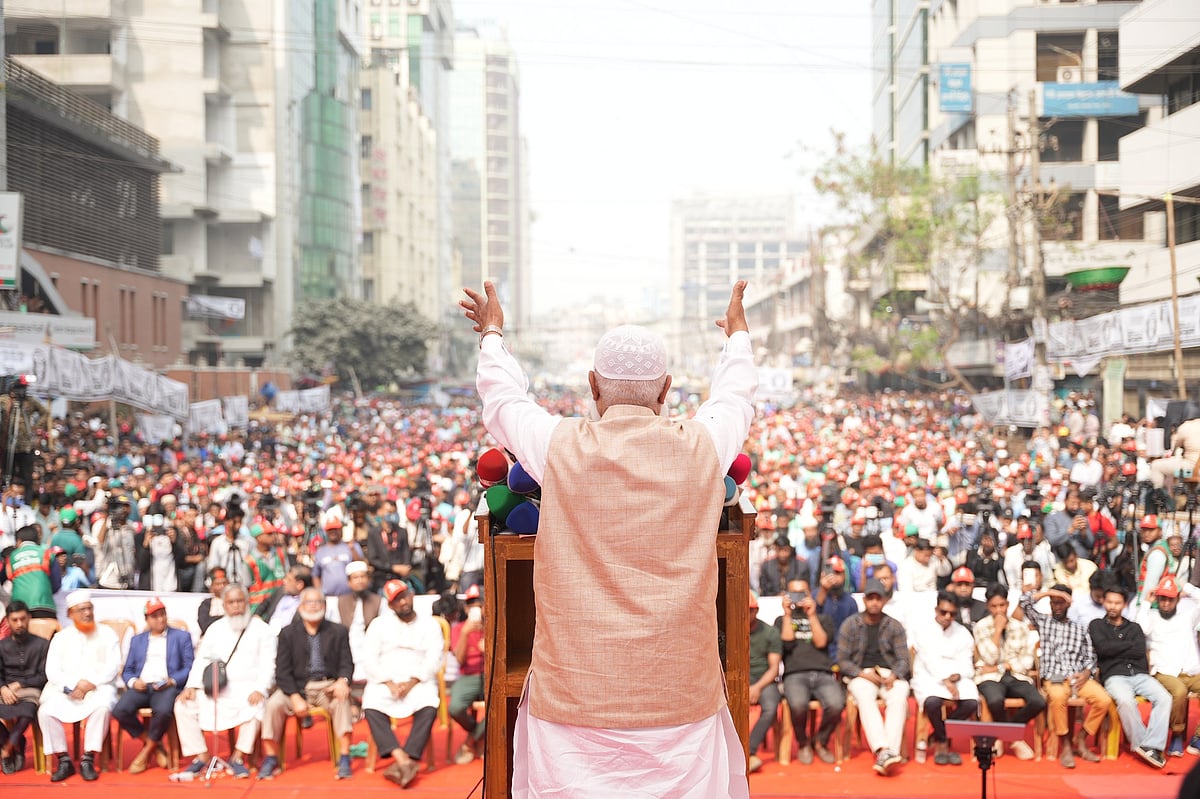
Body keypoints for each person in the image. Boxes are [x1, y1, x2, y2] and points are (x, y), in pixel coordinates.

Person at [462, 279, 755, 796]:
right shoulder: (704, 446)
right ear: (666, 392)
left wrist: (491, 335)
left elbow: (503, 400)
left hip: (575, 708)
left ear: (593, 387)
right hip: (679, 705)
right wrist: (737, 340)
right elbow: (736, 397)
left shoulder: (559, 446)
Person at [173, 583, 276, 779]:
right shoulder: (215, 628)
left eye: (240, 601)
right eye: (231, 602)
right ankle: (201, 755)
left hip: (248, 688)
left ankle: (238, 756)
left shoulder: (262, 630)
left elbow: (269, 665)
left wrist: (261, 689)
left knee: (257, 707)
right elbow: (201, 660)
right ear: (224, 605)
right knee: (182, 705)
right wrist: (191, 686)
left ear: (247, 603)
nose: (236, 606)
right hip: (216, 688)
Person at [259, 587, 355, 780]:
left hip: (327, 686)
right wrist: (294, 696)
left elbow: (347, 663)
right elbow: (282, 671)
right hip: (295, 687)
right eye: (308, 603)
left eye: (317, 602)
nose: (313, 607)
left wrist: (342, 682)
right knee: (273, 705)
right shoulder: (287, 633)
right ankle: (271, 758)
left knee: (341, 701)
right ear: (300, 606)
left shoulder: (338, 631)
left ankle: (344, 756)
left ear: (325, 605)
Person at [360, 580, 444, 788]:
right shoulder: (379, 624)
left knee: (429, 703)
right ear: (390, 605)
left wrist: (411, 682)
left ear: (412, 595)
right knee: (370, 703)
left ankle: (408, 757)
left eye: (405, 596)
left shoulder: (430, 624)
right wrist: (388, 682)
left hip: (418, 680)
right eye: (397, 600)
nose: (403, 602)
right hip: (386, 680)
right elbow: (368, 659)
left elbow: (434, 659)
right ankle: (403, 759)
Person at [1020, 583, 1112, 768]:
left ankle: (1081, 738)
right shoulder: (1043, 622)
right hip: (1054, 677)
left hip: (1078, 677)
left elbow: (1090, 656)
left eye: (1061, 603)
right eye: (1054, 602)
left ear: (1069, 604)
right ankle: (1067, 745)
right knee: (1057, 696)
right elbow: (1024, 603)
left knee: (1104, 700)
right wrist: (1049, 592)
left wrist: (1087, 673)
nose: (1057, 606)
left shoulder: (1079, 628)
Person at [38, 590, 121, 782]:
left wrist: (90, 683)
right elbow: (52, 671)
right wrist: (74, 685)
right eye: (81, 609)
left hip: (97, 687)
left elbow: (114, 665)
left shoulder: (107, 634)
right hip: (67, 690)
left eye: (89, 608)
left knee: (102, 707)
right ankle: (63, 759)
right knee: (45, 711)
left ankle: (88, 758)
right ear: (70, 614)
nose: (87, 613)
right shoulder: (60, 638)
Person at [1088, 584, 1172, 769]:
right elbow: (1103, 649)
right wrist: (1127, 646)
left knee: (1165, 698)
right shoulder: (1096, 625)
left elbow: (1139, 650)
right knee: (1125, 701)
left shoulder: (1134, 627)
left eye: (1117, 603)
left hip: (1140, 675)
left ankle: (1152, 745)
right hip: (1114, 676)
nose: (1112, 606)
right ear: (1104, 602)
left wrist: (1115, 648)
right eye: (1109, 602)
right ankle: (1143, 744)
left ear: (1124, 604)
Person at [836, 579, 911, 777]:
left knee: (900, 693)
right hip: (861, 673)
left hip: (888, 672)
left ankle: (887, 753)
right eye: (871, 598)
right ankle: (883, 750)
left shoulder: (894, 625)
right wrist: (862, 673)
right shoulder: (851, 624)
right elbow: (842, 660)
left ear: (885, 601)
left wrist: (894, 674)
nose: (875, 602)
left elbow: (904, 659)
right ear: (865, 600)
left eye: (878, 598)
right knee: (863, 695)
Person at [111, 597, 194, 773]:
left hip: (167, 686)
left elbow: (189, 666)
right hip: (142, 686)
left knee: (164, 711)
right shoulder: (138, 640)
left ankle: (146, 752)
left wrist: (172, 680)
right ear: (147, 619)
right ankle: (155, 746)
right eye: (155, 616)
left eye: (163, 614)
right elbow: (128, 670)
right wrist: (134, 681)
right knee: (119, 710)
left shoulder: (181, 637)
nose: (161, 619)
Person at [775, 578, 843, 767]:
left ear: (809, 594)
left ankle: (820, 741)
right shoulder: (781, 620)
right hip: (795, 674)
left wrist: (812, 615)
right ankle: (803, 742)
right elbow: (787, 642)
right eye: (793, 593)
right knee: (797, 705)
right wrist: (788, 614)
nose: (798, 597)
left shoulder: (823, 618)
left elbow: (821, 642)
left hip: (822, 673)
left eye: (802, 593)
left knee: (837, 704)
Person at [973, 584, 1043, 760]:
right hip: (990, 677)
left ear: (1008, 604)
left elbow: (1026, 660)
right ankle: (1014, 738)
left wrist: (1003, 666)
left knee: (1038, 701)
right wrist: (997, 631)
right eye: (994, 606)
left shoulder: (1020, 627)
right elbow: (989, 658)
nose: (999, 610)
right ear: (988, 607)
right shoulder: (981, 627)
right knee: (995, 701)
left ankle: (1003, 735)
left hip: (1017, 675)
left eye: (1002, 605)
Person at [911, 590, 979, 765]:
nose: (947, 617)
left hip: (957, 677)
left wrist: (958, 674)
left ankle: (939, 735)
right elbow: (928, 660)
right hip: (929, 676)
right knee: (932, 702)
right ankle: (943, 742)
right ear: (936, 610)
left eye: (952, 613)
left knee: (971, 702)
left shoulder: (962, 632)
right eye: (943, 612)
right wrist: (946, 680)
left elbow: (966, 660)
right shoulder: (923, 629)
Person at [1143, 574, 1200, 757]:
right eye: (1162, 599)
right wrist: (1145, 603)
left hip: (1190, 671)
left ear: (1177, 599)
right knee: (1179, 691)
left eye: (1169, 599)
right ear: (1157, 599)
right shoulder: (1151, 616)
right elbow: (1140, 629)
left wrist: (1187, 588)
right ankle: (1176, 733)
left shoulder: (1187, 616)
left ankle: (1197, 738)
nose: (1165, 604)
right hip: (1164, 672)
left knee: (1184, 687)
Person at [0, 601, 49, 773]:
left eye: (23, 619)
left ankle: (6, 751)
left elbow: (44, 676)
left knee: (28, 710)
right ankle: (15, 742)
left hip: (30, 689)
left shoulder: (42, 644)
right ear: (8, 621)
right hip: (5, 690)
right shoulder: (2, 646)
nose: (19, 624)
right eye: (15, 620)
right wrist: (3, 688)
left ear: (29, 618)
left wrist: (20, 684)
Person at [325, 560, 382, 681]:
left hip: (372, 647)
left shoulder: (380, 601)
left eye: (363, 577)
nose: (360, 580)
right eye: (355, 578)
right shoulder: (338, 602)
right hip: (347, 647)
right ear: (349, 582)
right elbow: (335, 629)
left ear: (368, 579)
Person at [449, 584, 486, 765]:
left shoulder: (496, 625)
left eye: (479, 604)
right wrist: (465, 633)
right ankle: (478, 734)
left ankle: (470, 741)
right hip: (468, 675)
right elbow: (460, 660)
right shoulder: (459, 628)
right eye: (471, 604)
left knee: (501, 704)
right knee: (454, 707)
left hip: (490, 675)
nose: (475, 608)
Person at [747, 590, 782, 774]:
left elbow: (774, 668)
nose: (746, 614)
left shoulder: (770, 632)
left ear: (756, 610)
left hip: (764, 678)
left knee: (771, 707)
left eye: (749, 610)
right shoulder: (730, 629)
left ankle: (749, 751)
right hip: (739, 678)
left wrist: (757, 687)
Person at [2, 524, 57, 618]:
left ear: (18, 541)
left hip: (19, 610)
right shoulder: (47, 553)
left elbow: (7, 579)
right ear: (38, 540)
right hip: (45, 606)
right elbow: (57, 583)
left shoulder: (11, 557)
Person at [312, 517, 364, 597]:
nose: (333, 531)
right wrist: (319, 594)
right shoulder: (320, 551)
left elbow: (361, 567)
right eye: (330, 529)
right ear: (326, 531)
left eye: (336, 529)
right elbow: (316, 575)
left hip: (350, 596)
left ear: (341, 529)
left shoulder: (351, 546)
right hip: (328, 597)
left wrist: (352, 549)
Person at [205, 502, 252, 586]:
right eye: (235, 522)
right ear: (227, 522)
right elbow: (213, 565)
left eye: (240, 522)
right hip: (224, 586)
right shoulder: (217, 542)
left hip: (244, 585)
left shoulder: (247, 541)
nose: (238, 526)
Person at [246, 520, 288, 613]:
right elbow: (246, 587)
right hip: (258, 608)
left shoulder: (280, 554)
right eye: (269, 534)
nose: (273, 536)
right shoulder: (250, 560)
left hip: (279, 605)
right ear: (258, 537)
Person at [255, 564, 312, 632]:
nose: (284, 581)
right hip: (267, 633)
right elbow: (265, 603)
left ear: (299, 585)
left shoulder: (308, 603)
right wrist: (256, 616)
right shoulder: (281, 591)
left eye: (289, 580)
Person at [946, 566, 987, 630]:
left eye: (967, 584)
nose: (963, 588)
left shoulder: (983, 607)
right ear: (953, 586)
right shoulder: (947, 609)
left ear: (973, 586)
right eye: (959, 585)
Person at [197, 567, 229, 634]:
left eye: (224, 583)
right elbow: (204, 625)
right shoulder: (206, 604)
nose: (222, 586)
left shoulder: (235, 601)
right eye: (218, 584)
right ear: (211, 586)